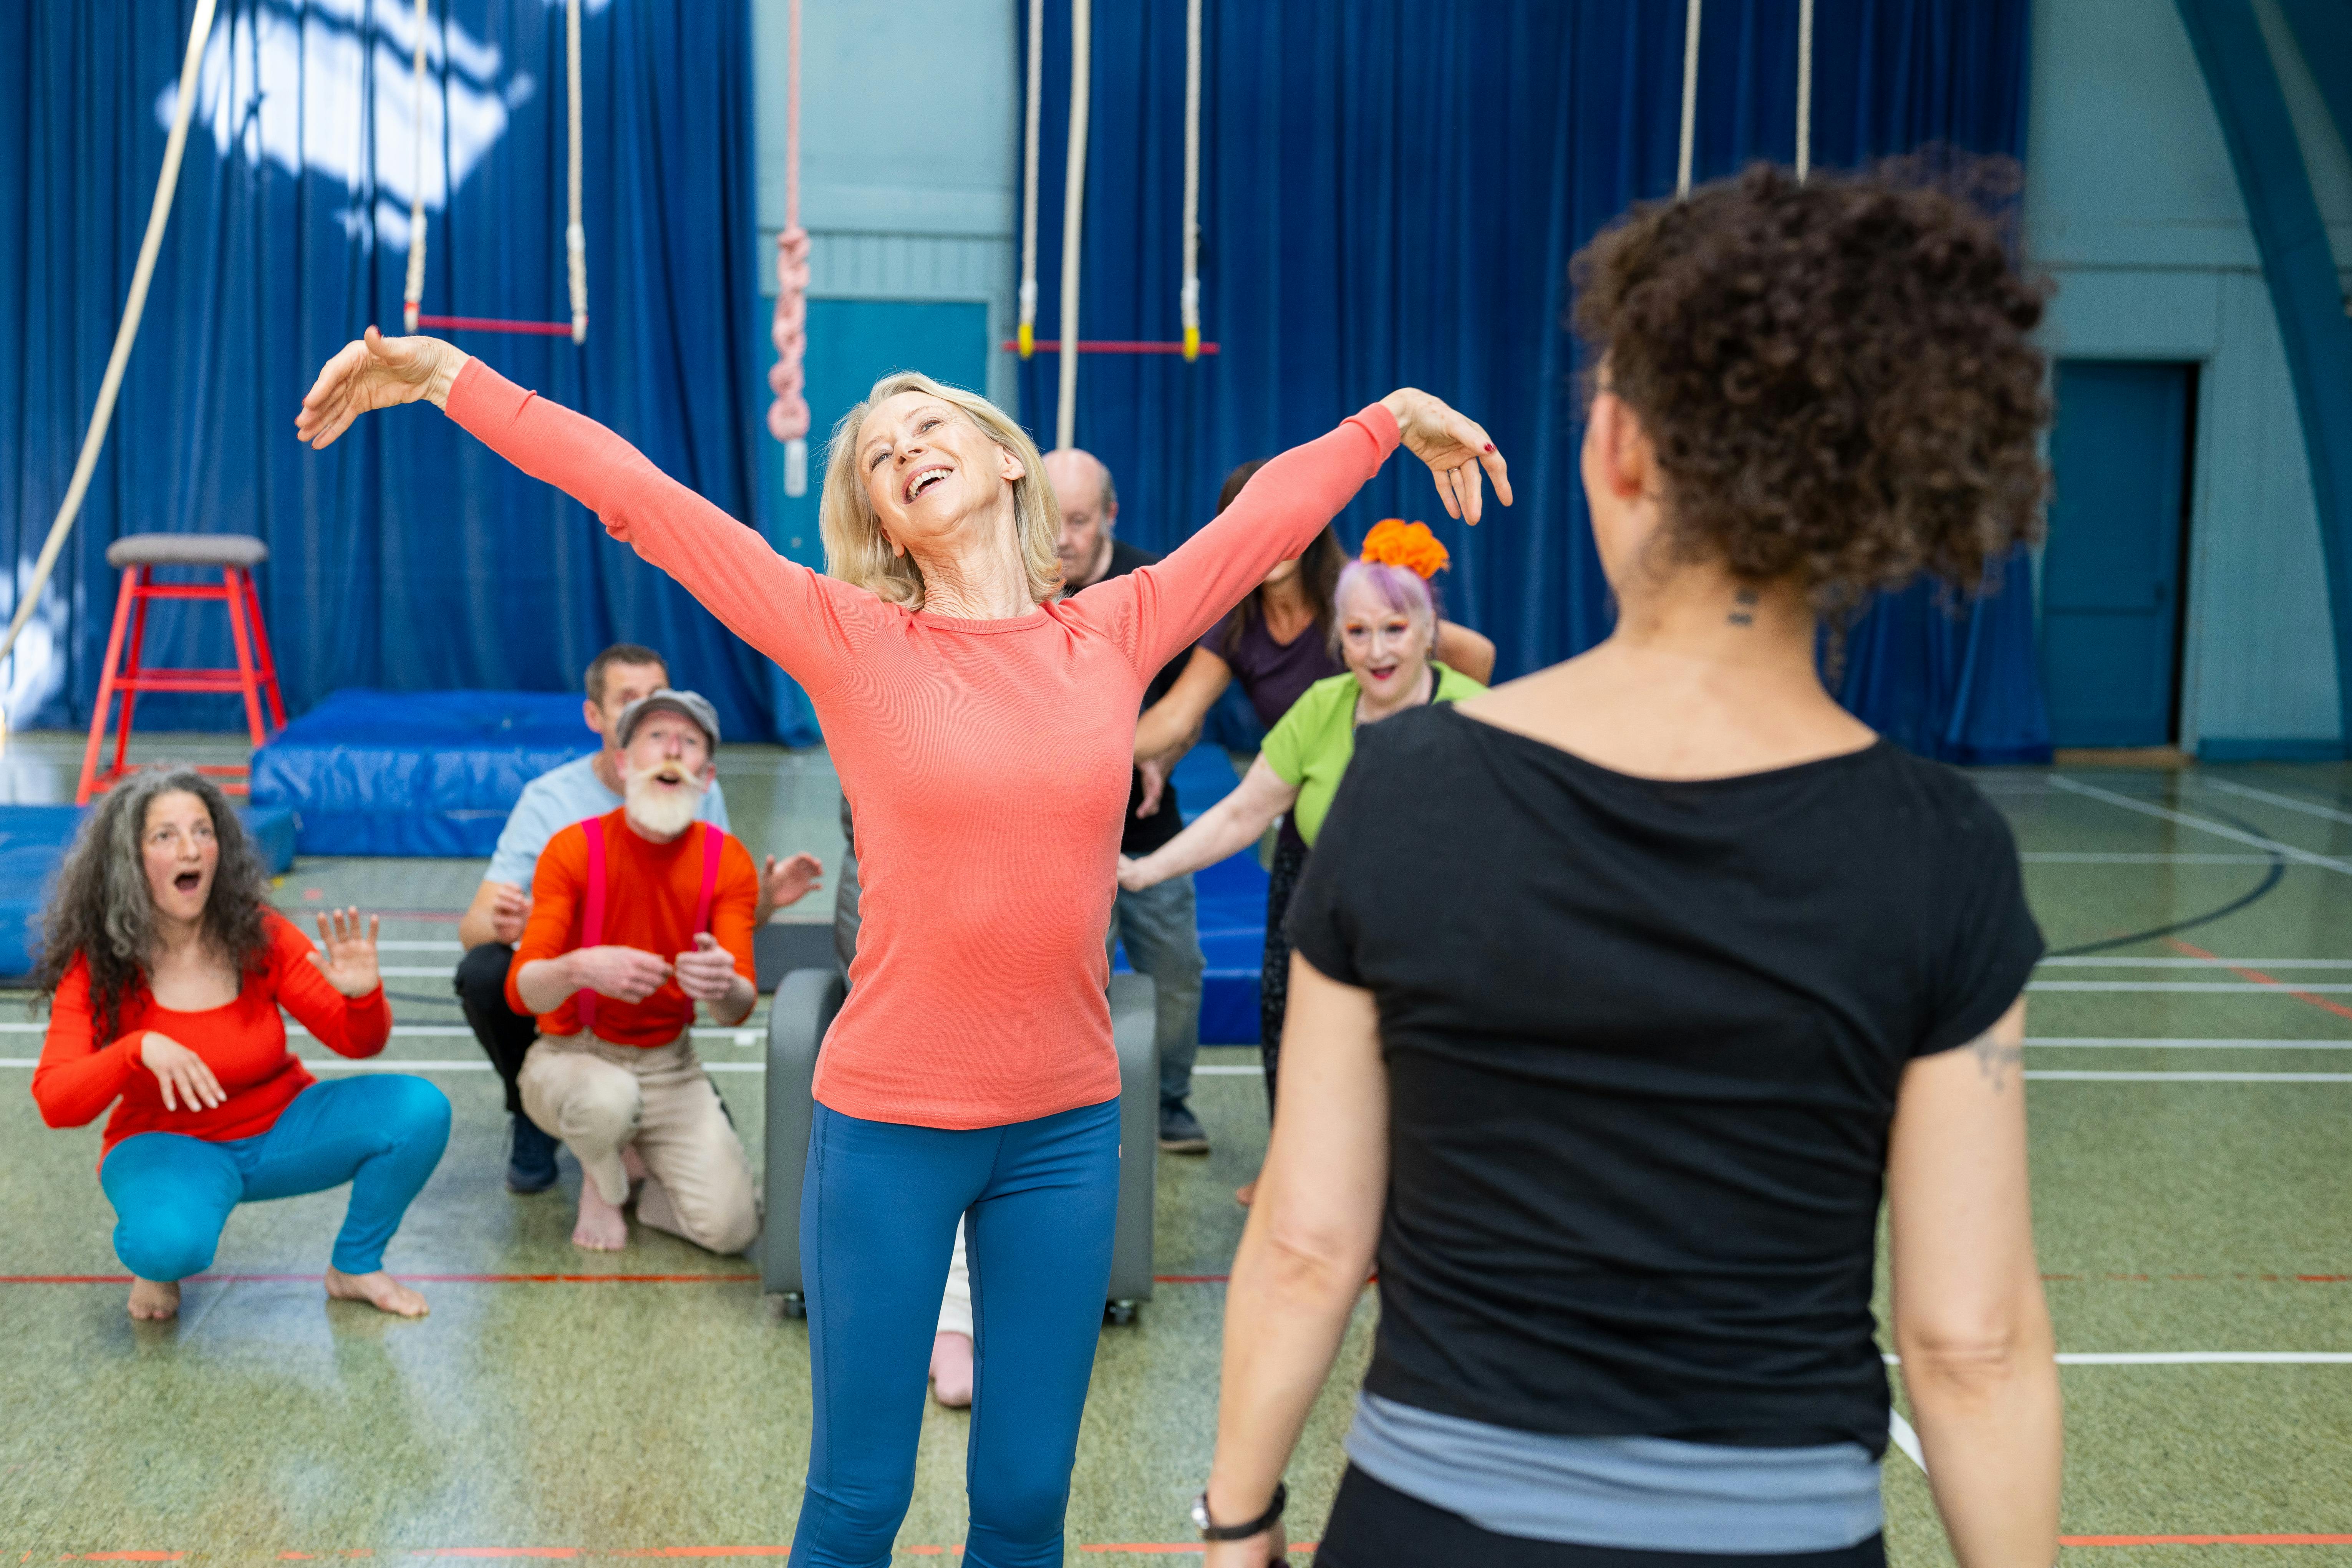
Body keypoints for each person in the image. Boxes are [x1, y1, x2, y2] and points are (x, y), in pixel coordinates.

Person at [297, 327, 1505, 1567]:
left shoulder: (1110, 634)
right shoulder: (852, 639)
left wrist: (1389, 417)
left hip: (1071, 1128)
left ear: (1007, 462)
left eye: (930, 426)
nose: (905, 450)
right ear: (880, 520)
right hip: (886, 1128)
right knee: (857, 1500)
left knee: (1029, 1500)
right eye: (879, 455)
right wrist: (449, 378)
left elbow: (1261, 524)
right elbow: (639, 500)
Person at [1193, 166, 2059, 1568]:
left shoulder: (1406, 791)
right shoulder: (1940, 850)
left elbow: (1307, 1242)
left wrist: (1237, 1522)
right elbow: (1970, 1342)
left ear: (1619, 451)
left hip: (1429, 1527)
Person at [1120, 525, 1484, 1204]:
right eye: (1358, 633)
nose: (1376, 651)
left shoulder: (1473, 714)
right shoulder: (1322, 707)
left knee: (1412, 1067)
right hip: (1326, 902)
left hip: (1430, 923)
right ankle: (1304, 1177)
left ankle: (1409, 1202)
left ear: (1428, 631)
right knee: (1297, 1037)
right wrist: (1146, 871)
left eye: (1395, 630)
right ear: (1339, 639)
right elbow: (1241, 813)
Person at [30, 767, 446, 1322]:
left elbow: (357, 1042)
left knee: (419, 1110)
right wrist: (136, 1049)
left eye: (203, 831)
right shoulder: (99, 963)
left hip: (282, 1132)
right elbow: (56, 1102)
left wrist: (364, 997)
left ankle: (356, 1264)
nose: (191, 849)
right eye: (165, 836)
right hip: (166, 1144)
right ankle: (158, 1263)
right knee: (168, 1244)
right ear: (129, 861)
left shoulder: (258, 932)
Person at [454, 642, 820, 1195]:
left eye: (658, 699)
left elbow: (722, 924)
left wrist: (761, 900)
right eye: (630, 701)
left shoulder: (698, 790)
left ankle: (652, 1114)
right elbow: (475, 928)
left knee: (729, 1212)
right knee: (484, 972)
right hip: (569, 1006)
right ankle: (534, 1113)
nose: (650, 716)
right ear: (597, 718)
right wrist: (534, 928)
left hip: (659, 1026)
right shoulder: (551, 804)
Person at [507, 689, 763, 1256]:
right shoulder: (573, 849)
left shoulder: (729, 861)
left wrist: (724, 983)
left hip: (672, 1066)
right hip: (572, 1055)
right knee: (607, 1099)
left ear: (708, 774)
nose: (672, 750)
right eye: (655, 737)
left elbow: (738, 1005)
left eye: (689, 742)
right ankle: (605, 1178)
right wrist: (578, 967)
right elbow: (520, 990)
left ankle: (641, 1172)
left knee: (734, 1228)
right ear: (623, 763)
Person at [1045, 444, 1212, 1156]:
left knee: (1175, 968)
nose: (1059, 538)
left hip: (1143, 823)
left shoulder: (1151, 584)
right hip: (1047, 832)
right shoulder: (1009, 582)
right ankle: (1055, 1103)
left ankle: (1170, 1102)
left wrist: (1159, 751)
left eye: (1078, 521)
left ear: (1109, 516)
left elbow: (1189, 708)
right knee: (1054, 977)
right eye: (1047, 518)